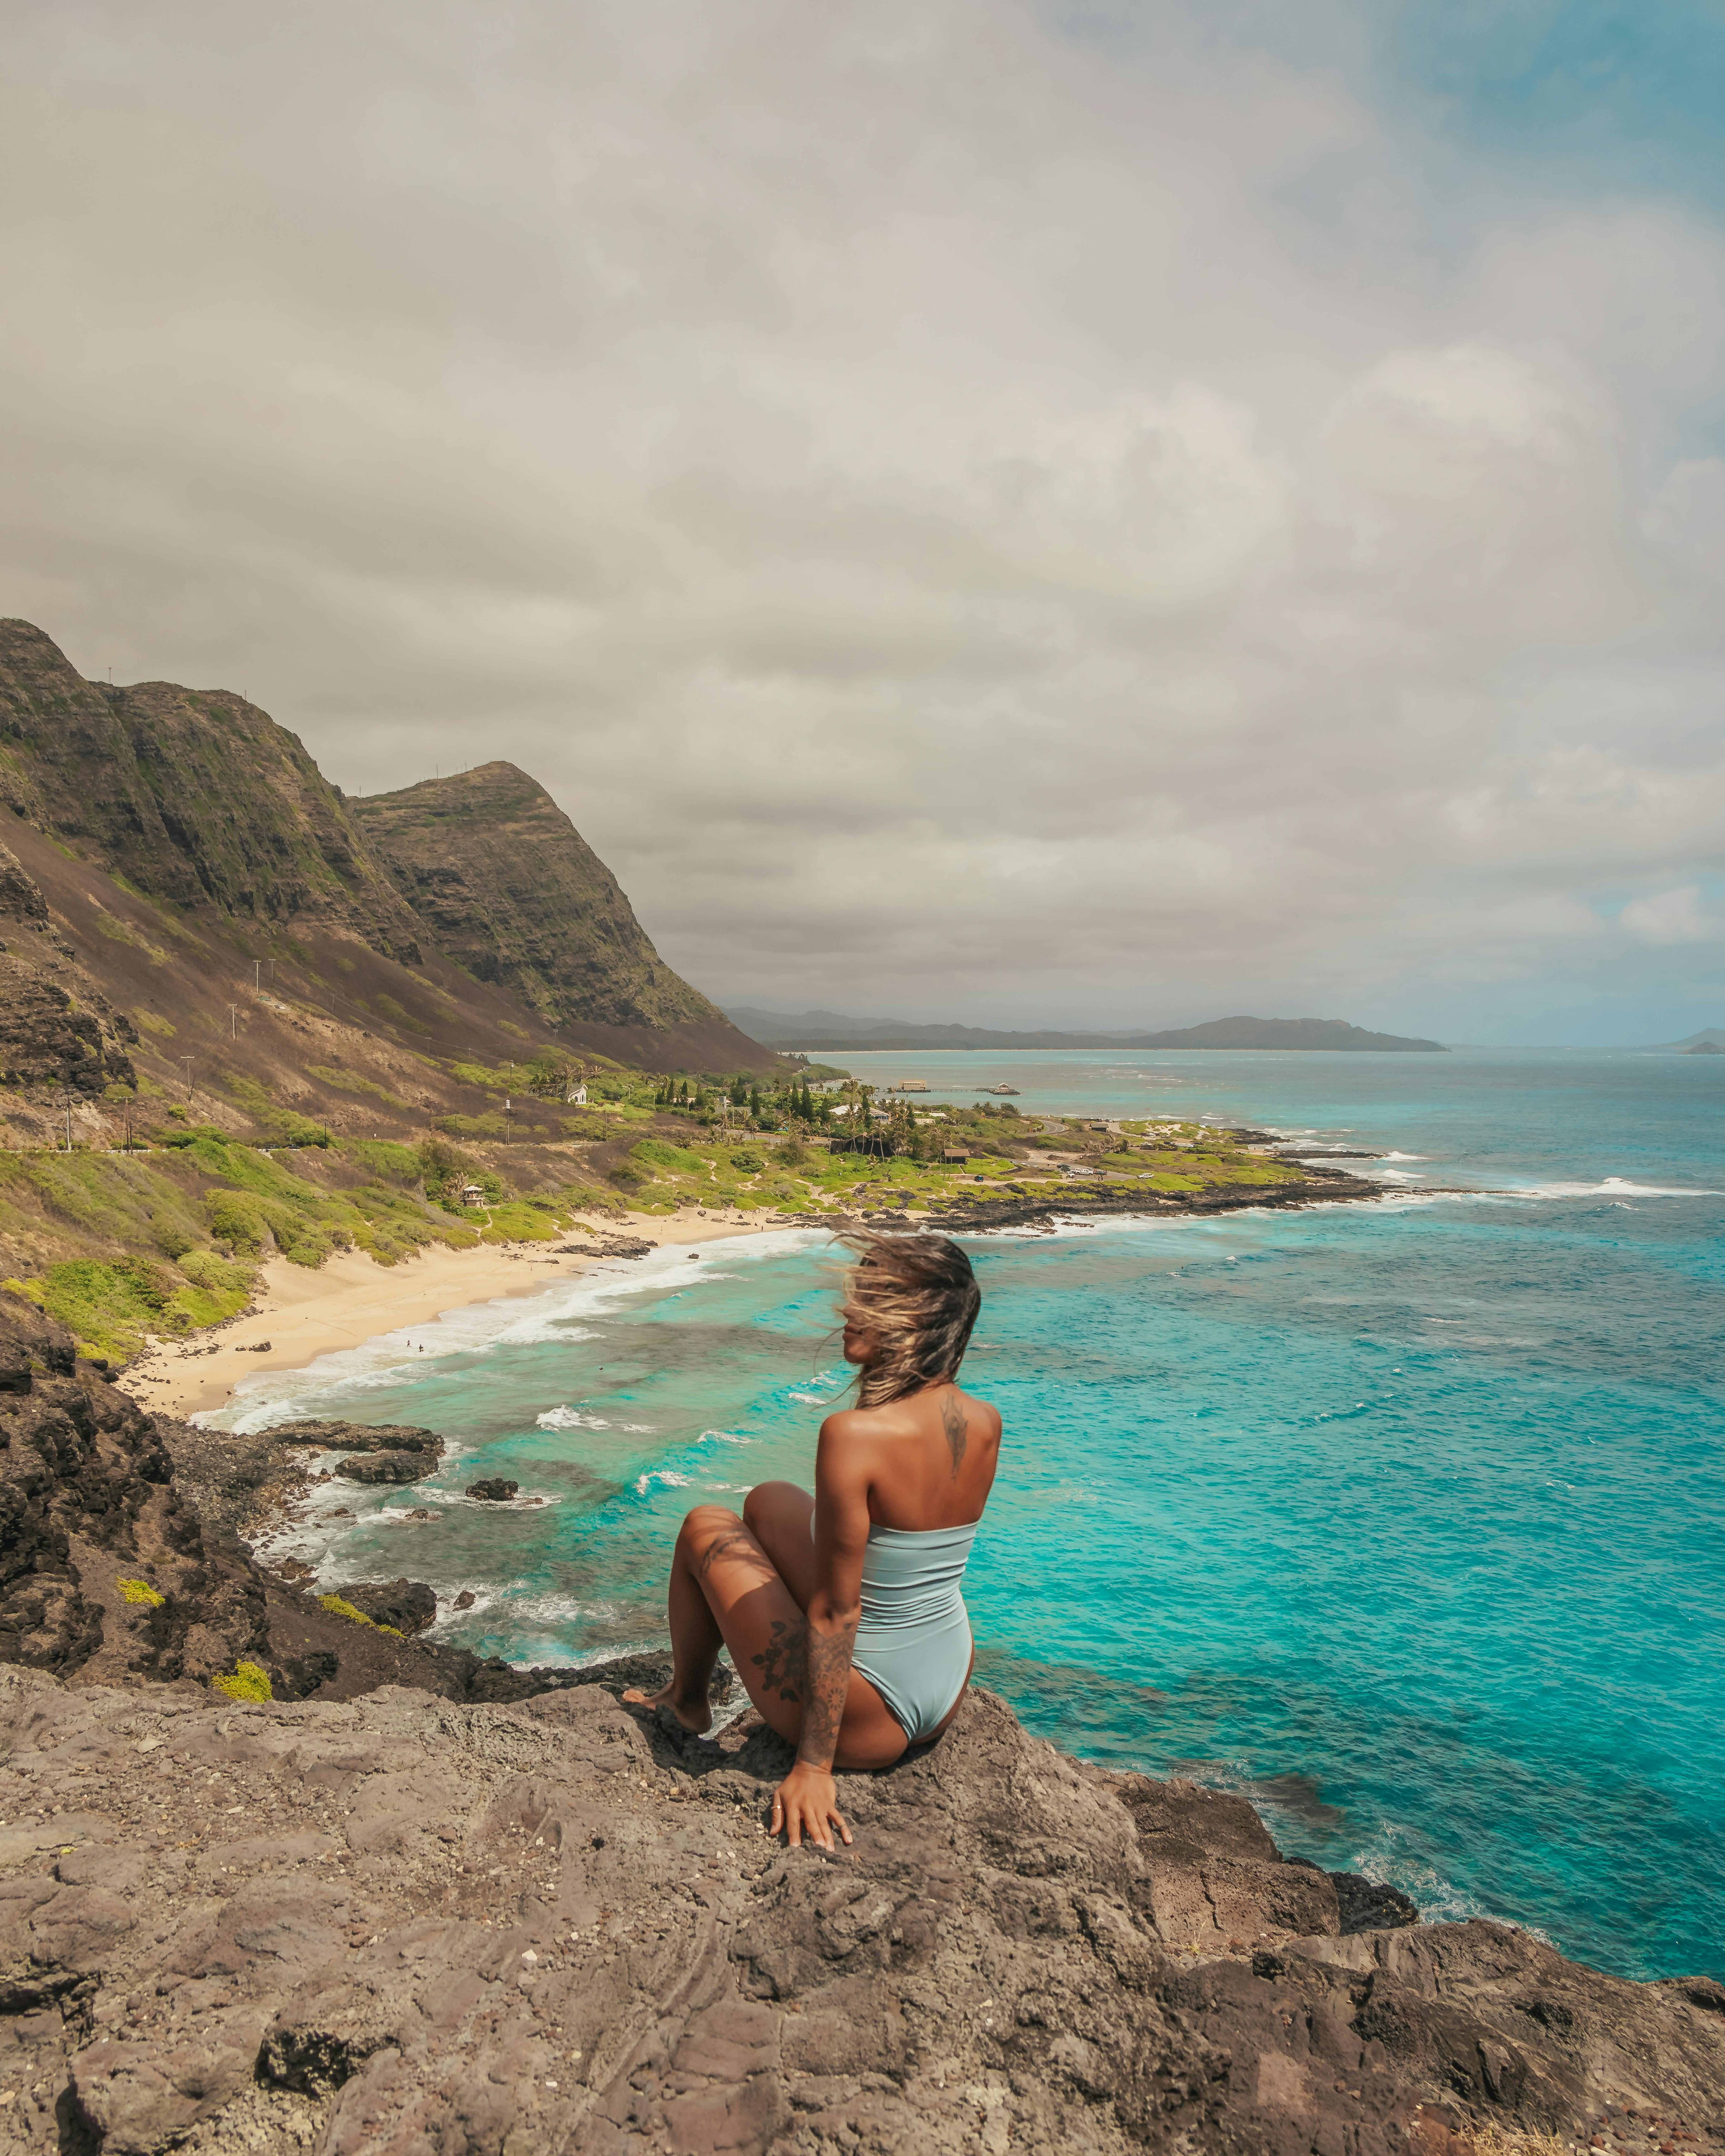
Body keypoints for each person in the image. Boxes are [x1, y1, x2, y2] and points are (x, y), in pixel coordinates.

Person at [624, 1232, 1001, 1852]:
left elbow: (836, 1610)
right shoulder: (984, 1419)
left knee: (702, 1526)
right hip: (946, 1676)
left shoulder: (856, 1434)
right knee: (769, 1499)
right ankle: (692, 1693)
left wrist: (813, 1767)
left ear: (917, 1320)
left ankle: (689, 1701)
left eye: (873, 1297)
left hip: (870, 1716)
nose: (848, 1310)